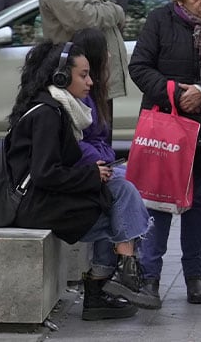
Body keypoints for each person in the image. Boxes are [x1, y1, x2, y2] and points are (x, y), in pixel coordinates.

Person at [5, 42, 151, 320]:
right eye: (83, 75)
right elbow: (44, 173)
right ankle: (112, 280)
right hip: (33, 207)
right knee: (119, 204)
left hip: (43, 199)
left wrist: (93, 171)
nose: (91, 81)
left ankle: (115, 278)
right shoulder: (48, 113)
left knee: (120, 196)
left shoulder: (58, 107)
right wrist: (90, 175)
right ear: (60, 76)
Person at [129, 0, 201, 306]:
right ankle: (150, 277)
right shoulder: (160, 20)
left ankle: (194, 276)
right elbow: (139, 67)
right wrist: (174, 93)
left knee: (196, 202)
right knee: (157, 202)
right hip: (166, 128)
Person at [69, 27, 159, 310]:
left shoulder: (93, 93)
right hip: (79, 174)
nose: (110, 55)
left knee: (126, 192)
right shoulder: (78, 96)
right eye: (105, 50)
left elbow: (98, 140)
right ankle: (124, 268)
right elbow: (76, 142)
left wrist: (104, 158)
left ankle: (106, 283)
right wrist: (98, 160)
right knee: (122, 192)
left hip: (95, 166)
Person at [39, 0, 129, 138]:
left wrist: (109, 13)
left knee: (103, 145)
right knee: (90, 147)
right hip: (78, 83)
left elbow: (100, 14)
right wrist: (116, 11)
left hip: (98, 80)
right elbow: (86, 19)